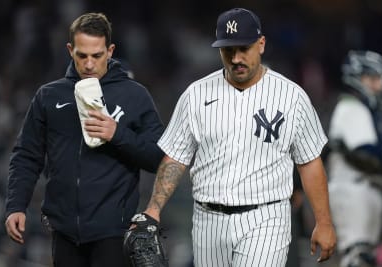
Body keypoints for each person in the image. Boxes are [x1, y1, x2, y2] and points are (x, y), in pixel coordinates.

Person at [136, 7, 336, 266]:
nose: (236, 58)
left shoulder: (291, 96)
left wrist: (324, 222)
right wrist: (153, 208)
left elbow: (309, 161)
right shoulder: (196, 95)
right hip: (208, 219)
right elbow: (176, 157)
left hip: (266, 217)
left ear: (261, 44)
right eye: (228, 50)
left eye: (244, 48)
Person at [5, 12, 164, 267]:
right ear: (70, 50)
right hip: (64, 231)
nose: (89, 64)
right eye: (82, 55)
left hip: (113, 231)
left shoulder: (135, 95)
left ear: (110, 51)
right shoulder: (48, 95)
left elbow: (158, 157)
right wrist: (16, 205)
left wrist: (117, 134)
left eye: (97, 55)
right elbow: (27, 155)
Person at [327, 50, 382, 267]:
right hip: (353, 190)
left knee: (366, 256)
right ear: (358, 79)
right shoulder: (351, 107)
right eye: (373, 79)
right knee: (357, 257)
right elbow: (366, 155)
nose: (379, 85)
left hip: (364, 189)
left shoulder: (364, 111)